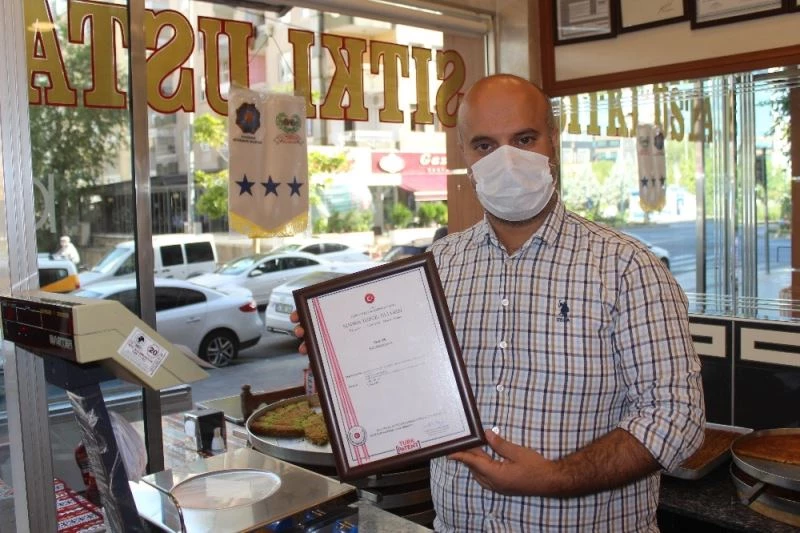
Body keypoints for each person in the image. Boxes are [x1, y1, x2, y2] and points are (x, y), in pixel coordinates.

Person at [292, 74, 705, 532]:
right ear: (465, 155)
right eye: (485, 145)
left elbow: (676, 417)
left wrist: (554, 478)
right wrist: (341, 358)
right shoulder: (437, 267)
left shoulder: (628, 268)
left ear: (553, 141)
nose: (506, 160)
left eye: (524, 139)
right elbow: (404, 388)